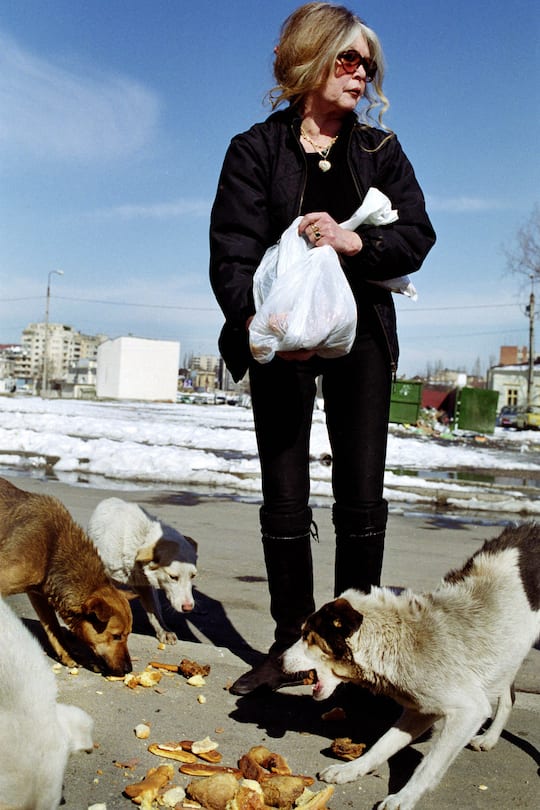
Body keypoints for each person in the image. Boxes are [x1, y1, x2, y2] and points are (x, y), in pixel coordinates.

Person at [210, 1, 436, 695]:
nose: (360, 73)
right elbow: (233, 256)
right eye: (348, 59)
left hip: (362, 336)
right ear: (311, 58)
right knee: (284, 493)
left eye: (368, 63)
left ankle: (355, 650)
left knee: (361, 498)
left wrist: (353, 240)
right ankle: (289, 642)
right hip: (278, 347)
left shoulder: (380, 151)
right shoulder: (255, 149)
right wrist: (273, 334)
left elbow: (417, 236)